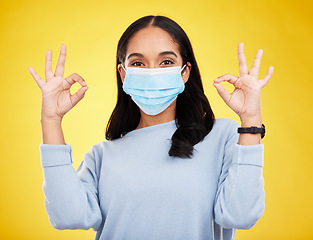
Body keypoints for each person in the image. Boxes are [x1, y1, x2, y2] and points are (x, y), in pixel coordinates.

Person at [28, 15, 274, 240]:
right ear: (123, 74)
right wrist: (50, 120)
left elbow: (240, 216)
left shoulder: (222, 136)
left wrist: (251, 120)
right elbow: (67, 217)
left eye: (166, 61)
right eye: (138, 63)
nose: (152, 72)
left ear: (185, 72)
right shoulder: (101, 155)